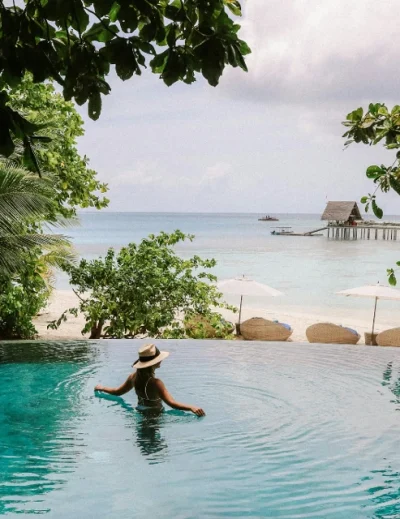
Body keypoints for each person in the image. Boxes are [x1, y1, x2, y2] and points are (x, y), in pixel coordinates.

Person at [94, 343, 205, 417]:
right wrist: (192, 407)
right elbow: (172, 403)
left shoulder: (133, 377)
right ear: (154, 363)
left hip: (139, 412)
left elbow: (118, 392)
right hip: (155, 416)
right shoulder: (156, 383)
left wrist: (102, 388)